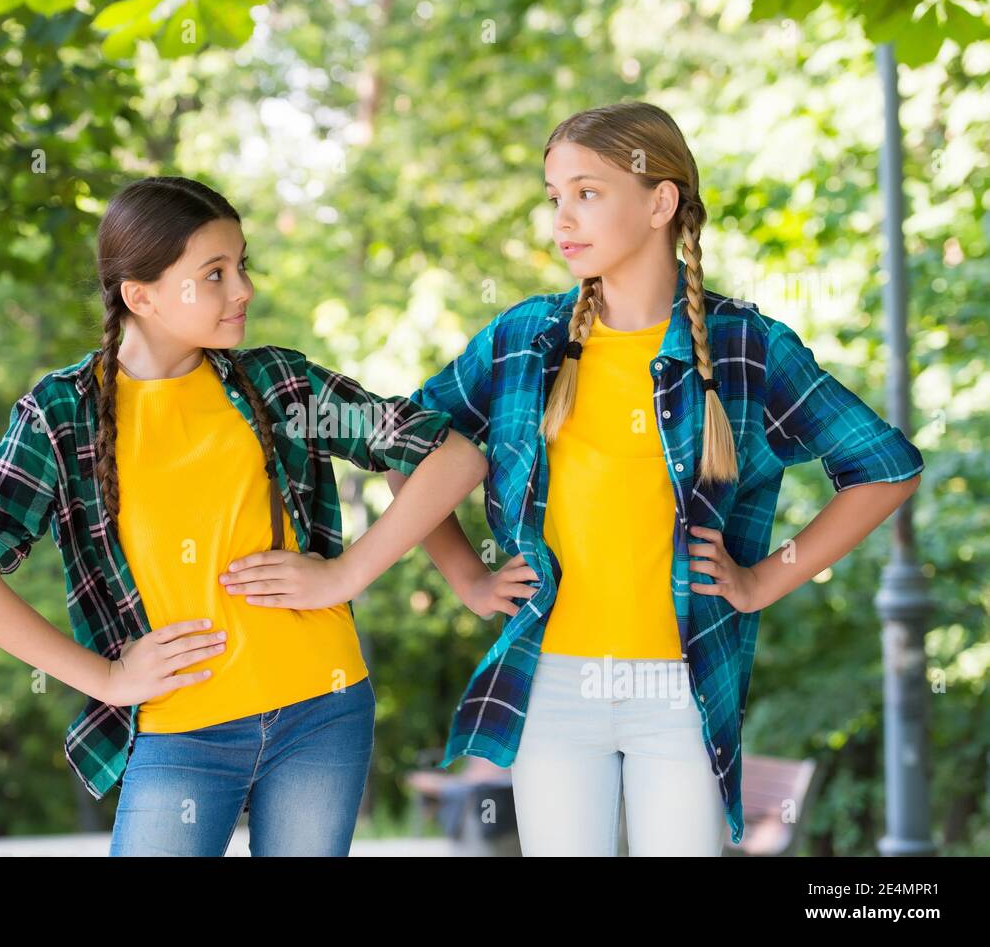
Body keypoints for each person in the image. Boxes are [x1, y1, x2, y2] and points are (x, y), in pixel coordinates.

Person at [388, 101, 924, 855]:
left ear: (660, 201)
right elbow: (406, 446)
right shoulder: (522, 340)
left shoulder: (746, 346)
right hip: (552, 685)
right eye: (554, 197)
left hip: (682, 687)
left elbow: (885, 467)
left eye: (587, 192)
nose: (561, 219)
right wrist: (465, 578)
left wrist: (765, 580)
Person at [0, 175, 487, 856]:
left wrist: (344, 575)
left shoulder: (280, 384)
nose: (244, 289)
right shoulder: (60, 414)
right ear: (141, 296)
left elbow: (455, 457)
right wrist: (106, 678)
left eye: (242, 265)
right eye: (215, 273)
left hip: (323, 710)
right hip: (181, 732)